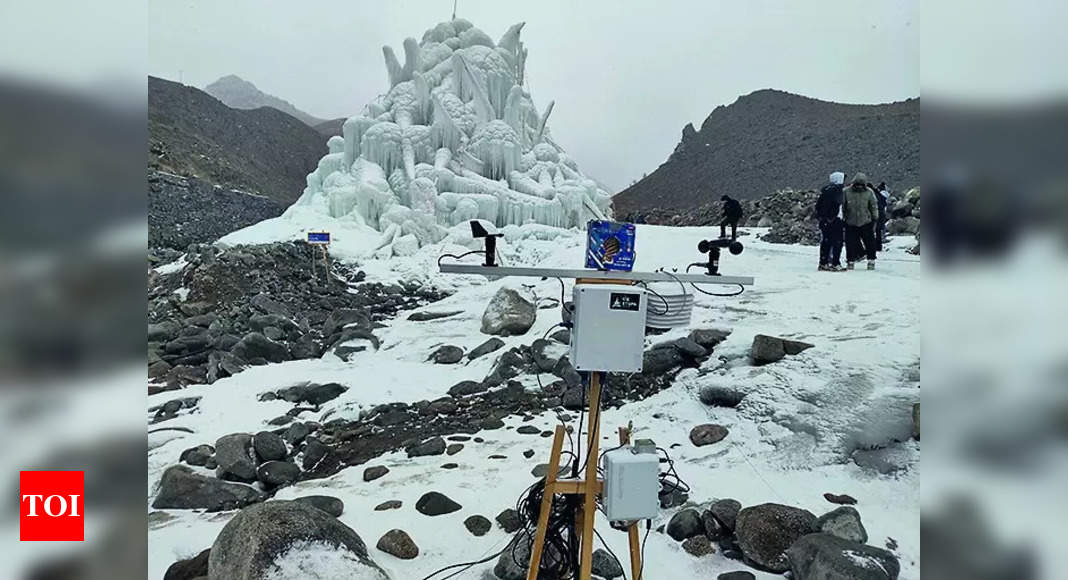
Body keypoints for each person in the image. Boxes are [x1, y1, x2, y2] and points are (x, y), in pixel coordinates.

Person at [842, 172, 879, 269]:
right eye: (857, 184)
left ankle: (871, 260)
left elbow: (873, 205)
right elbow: (843, 206)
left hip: (866, 222)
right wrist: (843, 218)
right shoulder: (846, 192)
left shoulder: (869, 192)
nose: (859, 186)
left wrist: (875, 218)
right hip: (850, 221)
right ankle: (850, 260)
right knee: (850, 243)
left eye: (861, 184)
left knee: (870, 242)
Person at [815, 171, 846, 271]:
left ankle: (823, 262)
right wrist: (831, 217)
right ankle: (835, 263)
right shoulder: (837, 190)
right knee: (837, 242)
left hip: (825, 221)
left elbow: (818, 206)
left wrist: (823, 218)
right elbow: (836, 205)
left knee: (826, 242)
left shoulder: (825, 191)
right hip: (835, 220)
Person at [874, 181, 890, 251]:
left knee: (878, 227)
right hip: (882, 212)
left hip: (878, 212)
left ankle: (878, 241)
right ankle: (882, 238)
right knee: (881, 227)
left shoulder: (879, 193)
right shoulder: (884, 194)